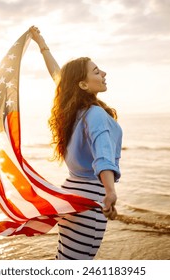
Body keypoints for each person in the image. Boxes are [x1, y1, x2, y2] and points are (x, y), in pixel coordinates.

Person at [29, 26, 122, 260]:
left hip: (71, 193)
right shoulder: (95, 114)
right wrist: (110, 191)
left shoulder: (73, 111)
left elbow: (57, 76)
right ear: (82, 84)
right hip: (90, 199)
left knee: (66, 259)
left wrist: (41, 43)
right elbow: (103, 156)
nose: (104, 74)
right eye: (97, 71)